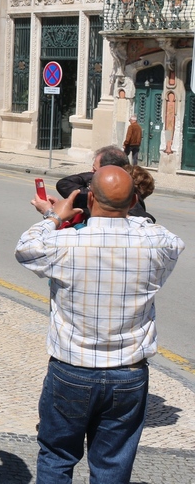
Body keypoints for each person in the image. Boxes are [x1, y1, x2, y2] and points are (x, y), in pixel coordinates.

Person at [15, 165, 183, 483]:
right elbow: (172, 241)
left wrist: (55, 217)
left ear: (90, 198)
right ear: (135, 200)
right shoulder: (157, 243)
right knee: (112, 465)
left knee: (56, 456)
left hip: (71, 368)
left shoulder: (65, 243)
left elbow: (26, 249)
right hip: (128, 372)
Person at [56, 145, 129, 219]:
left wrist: (52, 214)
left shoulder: (96, 195)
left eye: (94, 170)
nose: (91, 171)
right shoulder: (137, 222)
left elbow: (63, 184)